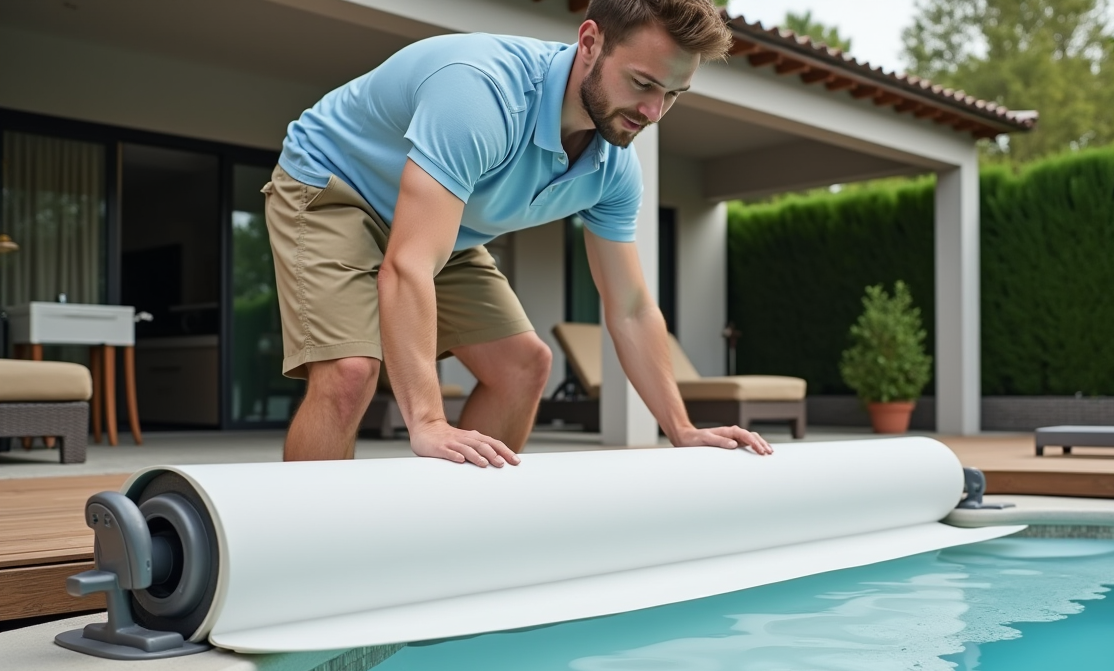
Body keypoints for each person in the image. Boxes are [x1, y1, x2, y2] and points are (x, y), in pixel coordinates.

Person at [263, 0, 774, 467]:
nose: (653, 113)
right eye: (643, 84)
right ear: (590, 43)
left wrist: (680, 429)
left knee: (523, 366)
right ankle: (297, 552)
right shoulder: (482, 94)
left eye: (672, 94)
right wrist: (428, 422)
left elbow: (632, 306)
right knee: (350, 373)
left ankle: (442, 534)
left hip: (445, 220)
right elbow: (408, 265)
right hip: (335, 184)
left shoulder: (614, 166)